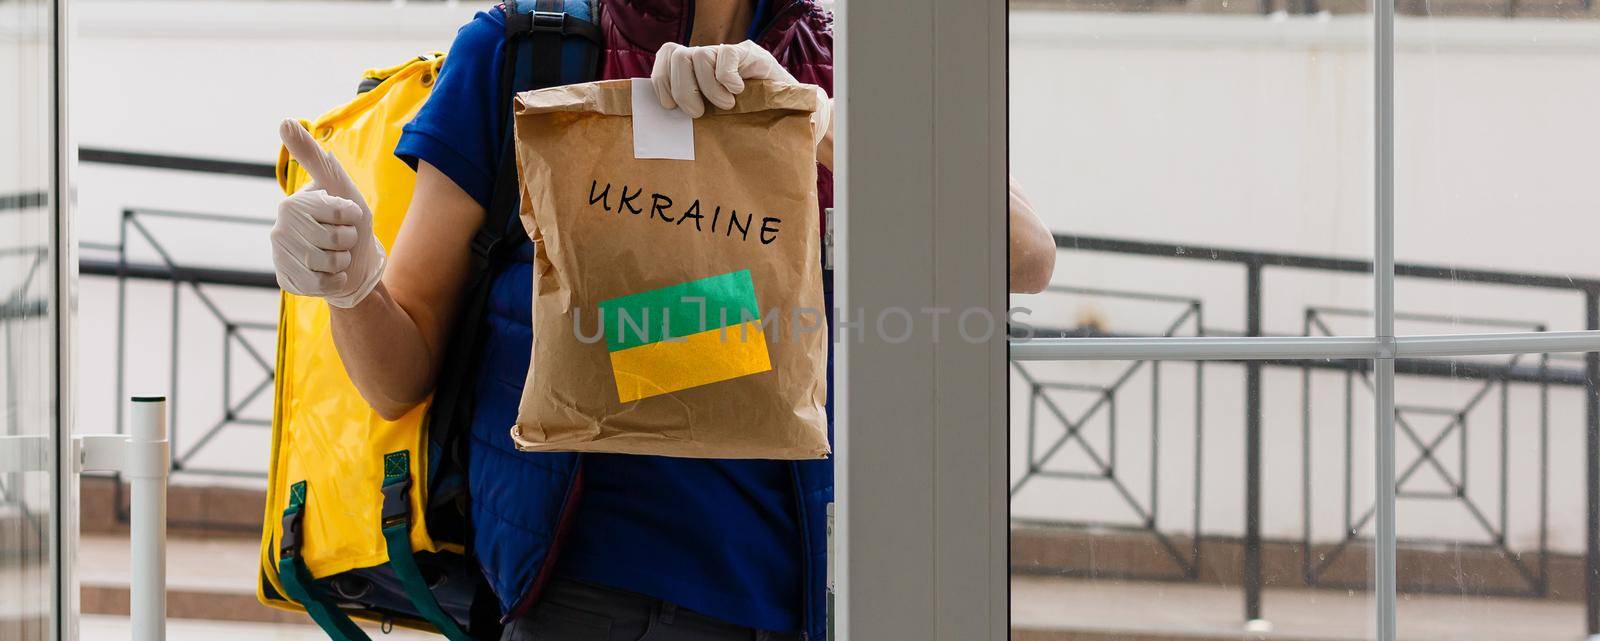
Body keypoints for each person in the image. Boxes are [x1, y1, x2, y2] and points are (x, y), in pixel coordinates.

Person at [270, 1, 1055, 639]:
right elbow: (394, 378)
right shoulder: (522, 52)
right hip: (583, 596)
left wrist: (814, 120)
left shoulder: (851, 66)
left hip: (814, 595)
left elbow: (1026, 254)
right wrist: (350, 282)